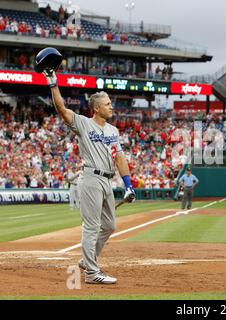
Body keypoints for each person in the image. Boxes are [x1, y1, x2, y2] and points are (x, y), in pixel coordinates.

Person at [43, 68, 135, 285]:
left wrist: (128, 185)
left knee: (110, 225)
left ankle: (87, 259)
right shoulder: (84, 123)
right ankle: (92, 273)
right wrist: (53, 84)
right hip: (91, 178)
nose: (112, 106)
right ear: (96, 108)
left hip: (106, 180)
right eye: (107, 103)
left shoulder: (113, 131)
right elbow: (62, 109)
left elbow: (120, 159)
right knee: (92, 226)